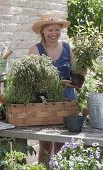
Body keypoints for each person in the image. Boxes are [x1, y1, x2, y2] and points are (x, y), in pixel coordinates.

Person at [29, 11, 86, 169]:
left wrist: (81, 73)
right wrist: (56, 83)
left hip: (67, 100)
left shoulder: (69, 49)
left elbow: (78, 75)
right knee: (45, 144)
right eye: (50, 30)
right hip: (45, 101)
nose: (54, 34)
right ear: (42, 31)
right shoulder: (35, 51)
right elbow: (33, 81)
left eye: (57, 30)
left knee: (62, 144)